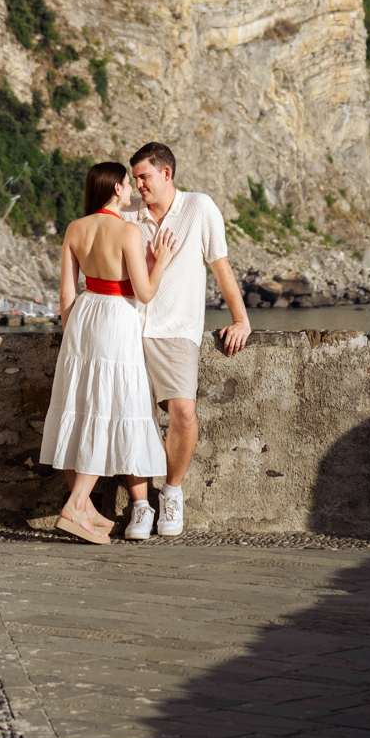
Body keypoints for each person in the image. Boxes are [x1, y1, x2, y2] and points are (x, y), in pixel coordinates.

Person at [39, 161, 177, 544]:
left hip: (82, 316)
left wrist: (73, 335)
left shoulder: (75, 228)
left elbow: (66, 293)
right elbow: (144, 293)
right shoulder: (128, 231)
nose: (132, 189)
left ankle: (83, 508)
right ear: (116, 188)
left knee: (78, 406)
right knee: (107, 407)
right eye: (127, 184)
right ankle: (75, 505)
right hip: (116, 319)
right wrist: (161, 261)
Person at [122, 142, 251, 540]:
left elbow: (220, 266)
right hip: (128, 327)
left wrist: (241, 320)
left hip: (177, 330)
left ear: (166, 173)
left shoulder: (200, 207)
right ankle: (140, 505)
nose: (138, 184)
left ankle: (171, 493)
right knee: (132, 418)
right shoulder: (128, 215)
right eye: (135, 178)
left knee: (183, 413)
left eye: (144, 176)